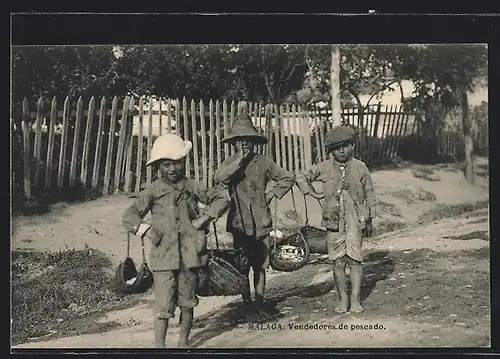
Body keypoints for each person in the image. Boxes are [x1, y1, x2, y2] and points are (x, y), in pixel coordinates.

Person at [121, 133, 229, 348]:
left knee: (187, 303)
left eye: (177, 163)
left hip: (190, 256)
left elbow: (221, 198)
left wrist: (204, 219)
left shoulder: (192, 186)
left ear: (184, 163)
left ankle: (183, 344)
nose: (173, 169)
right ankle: (160, 347)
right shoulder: (152, 190)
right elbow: (129, 216)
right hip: (163, 258)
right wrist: (147, 231)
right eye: (166, 164)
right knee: (163, 305)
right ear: (158, 167)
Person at [215, 113, 295, 322]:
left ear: (254, 141)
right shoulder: (230, 163)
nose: (245, 144)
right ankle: (247, 306)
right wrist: (239, 159)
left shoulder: (264, 162)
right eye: (240, 140)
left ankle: (260, 304)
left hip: (261, 223)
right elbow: (220, 178)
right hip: (240, 224)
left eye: (248, 139)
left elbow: (288, 177)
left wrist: (270, 194)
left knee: (260, 267)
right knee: (242, 267)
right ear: (234, 143)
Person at [296, 125, 376, 314]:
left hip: (355, 222)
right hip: (333, 223)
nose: (342, 150)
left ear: (352, 146)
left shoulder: (360, 167)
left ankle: (356, 300)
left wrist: (370, 217)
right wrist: (312, 193)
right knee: (338, 262)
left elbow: (370, 193)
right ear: (330, 150)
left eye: (346, 145)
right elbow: (300, 176)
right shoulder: (323, 168)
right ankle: (343, 300)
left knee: (355, 261)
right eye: (337, 147)